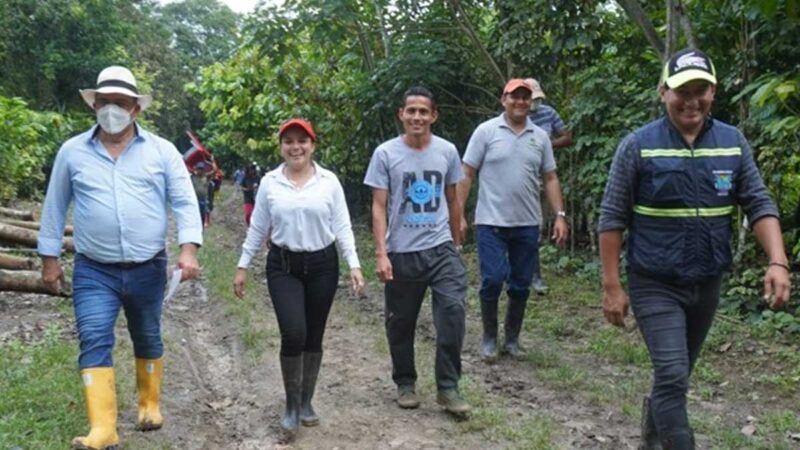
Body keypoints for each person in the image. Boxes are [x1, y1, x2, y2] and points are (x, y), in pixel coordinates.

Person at [599, 49, 791, 450]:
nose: (692, 100)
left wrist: (778, 261)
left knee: (677, 374)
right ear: (663, 92)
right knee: (672, 373)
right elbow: (612, 216)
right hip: (654, 281)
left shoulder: (732, 143)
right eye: (682, 91)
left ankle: (652, 439)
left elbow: (758, 203)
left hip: (707, 281)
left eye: (700, 90)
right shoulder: (638, 146)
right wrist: (612, 285)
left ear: (713, 92)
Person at [38, 65, 202, 450]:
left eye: (120, 102)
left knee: (147, 333)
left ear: (135, 109)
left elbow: (184, 201)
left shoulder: (161, 151)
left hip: (148, 266)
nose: (111, 109)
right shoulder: (72, 152)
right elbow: (55, 206)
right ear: (94, 104)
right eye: (104, 102)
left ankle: (149, 405)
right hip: (94, 269)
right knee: (94, 336)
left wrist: (188, 249)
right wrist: (49, 258)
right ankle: (103, 429)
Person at [233, 118, 365, 442]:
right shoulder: (270, 182)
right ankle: (291, 406)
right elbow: (258, 226)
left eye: (302, 141)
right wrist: (242, 265)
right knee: (294, 333)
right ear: (281, 147)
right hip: (284, 265)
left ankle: (306, 401)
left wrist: (354, 264)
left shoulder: (329, 182)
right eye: (289, 141)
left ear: (312, 145)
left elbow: (342, 225)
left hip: (323, 265)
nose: (296, 147)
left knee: (313, 335)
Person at [364, 86, 471, 416]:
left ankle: (448, 387)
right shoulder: (385, 153)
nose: (417, 117)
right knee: (400, 323)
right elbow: (379, 206)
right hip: (402, 251)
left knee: (452, 313)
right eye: (411, 111)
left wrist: (456, 240)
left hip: (441, 249)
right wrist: (381, 253)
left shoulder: (447, 151)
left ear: (433, 116)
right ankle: (405, 382)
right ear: (401, 114)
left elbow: (452, 198)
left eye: (424, 111)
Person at [458, 79, 568, 362]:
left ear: (531, 102)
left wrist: (560, 215)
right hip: (491, 222)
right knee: (492, 279)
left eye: (525, 97)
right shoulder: (486, 131)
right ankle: (489, 337)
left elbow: (550, 177)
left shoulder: (540, 137)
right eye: (514, 97)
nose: (520, 102)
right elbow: (467, 173)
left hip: (527, 223)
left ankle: (512, 339)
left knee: (520, 283)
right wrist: (457, 214)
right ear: (503, 99)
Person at [524, 78, 574, 295]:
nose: (534, 103)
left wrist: (545, 145)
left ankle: (534, 275)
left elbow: (567, 136)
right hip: (521, 179)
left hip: (543, 176)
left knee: (535, 225)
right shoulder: (516, 116)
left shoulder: (548, 113)